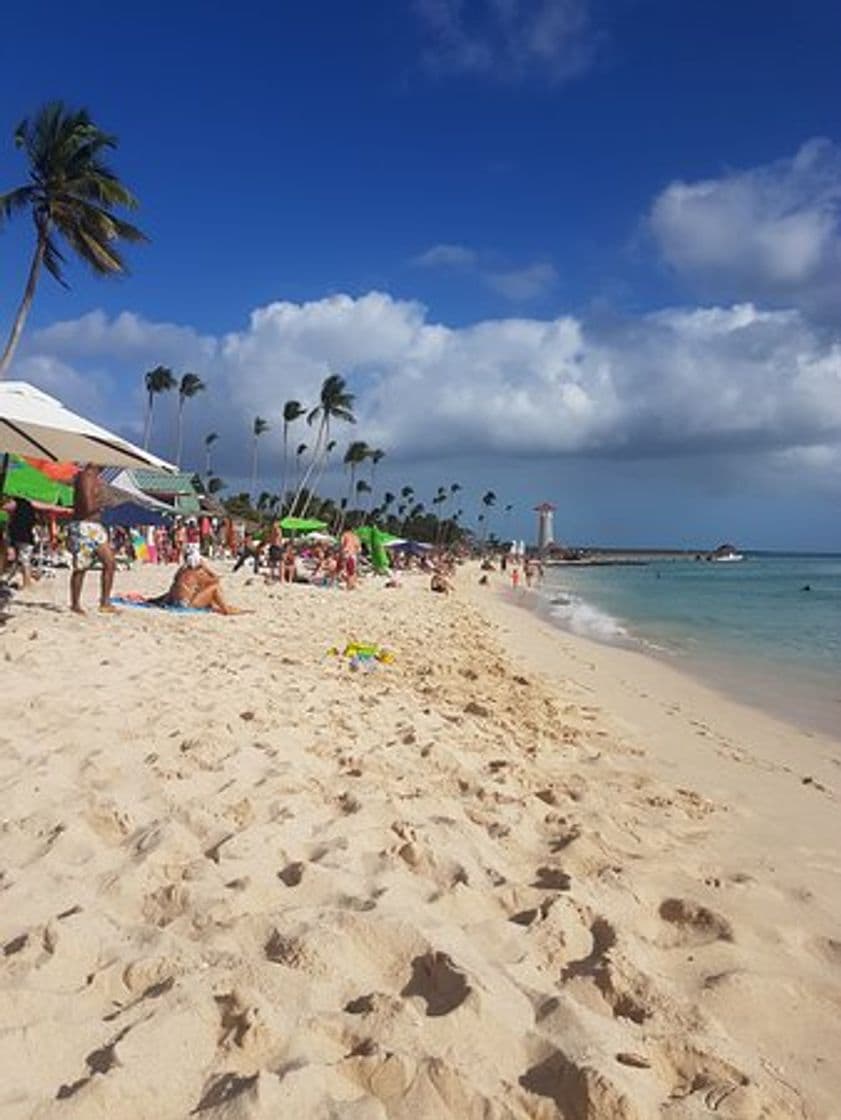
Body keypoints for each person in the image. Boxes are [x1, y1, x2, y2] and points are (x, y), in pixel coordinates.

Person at [68, 464, 117, 614]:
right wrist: (104, 503)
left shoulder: (96, 478)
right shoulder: (86, 476)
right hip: (84, 526)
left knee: (110, 563)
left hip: (95, 526)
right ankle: (75, 604)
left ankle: (105, 602)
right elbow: (87, 507)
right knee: (82, 567)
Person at [155, 551, 245, 614]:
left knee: (199, 590)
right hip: (186, 605)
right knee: (214, 587)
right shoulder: (199, 573)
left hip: (173, 602)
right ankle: (226, 610)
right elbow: (216, 580)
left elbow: (176, 585)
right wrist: (206, 568)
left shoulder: (181, 571)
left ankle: (223, 607)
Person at [4, 496, 37, 590]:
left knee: (24, 561)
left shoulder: (17, 503)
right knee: (23, 561)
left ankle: (27, 583)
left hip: (22, 538)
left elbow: (7, 508)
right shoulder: (28, 506)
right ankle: (26, 582)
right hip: (26, 537)